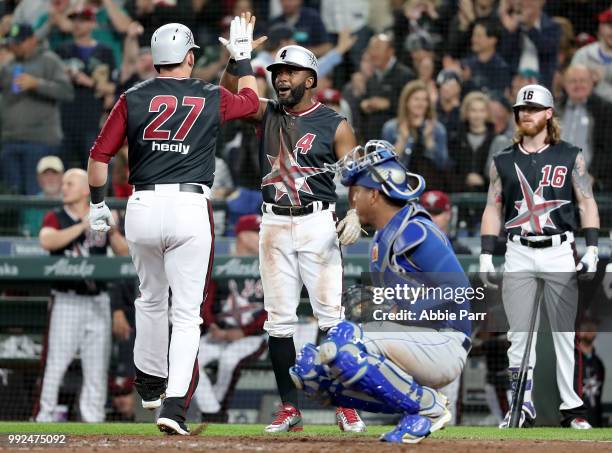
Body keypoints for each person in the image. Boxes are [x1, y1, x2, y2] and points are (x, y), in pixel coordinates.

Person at [86, 18, 260, 435]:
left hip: (141, 205)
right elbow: (252, 102)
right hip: (188, 205)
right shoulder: (209, 94)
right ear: (188, 57)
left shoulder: (132, 95)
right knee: (186, 315)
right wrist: (242, 57)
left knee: (149, 299)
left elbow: (98, 160)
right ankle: (175, 407)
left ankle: (148, 382)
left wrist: (96, 205)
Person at [220, 31, 365, 433]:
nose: (281, 78)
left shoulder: (336, 123)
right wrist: (237, 60)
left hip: (319, 223)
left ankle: (345, 403)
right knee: (279, 321)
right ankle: (290, 408)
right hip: (274, 223)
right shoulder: (264, 111)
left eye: (291, 72)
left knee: (331, 321)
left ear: (311, 79)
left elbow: (359, 177)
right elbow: (225, 99)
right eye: (278, 71)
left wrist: (355, 214)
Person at [290, 140, 472, 444]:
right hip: (416, 341)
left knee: (346, 344)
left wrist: (404, 311)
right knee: (310, 371)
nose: (352, 200)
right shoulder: (381, 242)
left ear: (374, 194)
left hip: (445, 341)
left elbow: (459, 289)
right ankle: (419, 405)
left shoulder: (415, 231)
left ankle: (427, 409)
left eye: (356, 193)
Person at [479, 84, 600, 429]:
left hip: (560, 249)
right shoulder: (502, 159)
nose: (526, 114)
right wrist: (487, 252)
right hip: (517, 250)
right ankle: (521, 409)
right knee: (517, 335)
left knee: (564, 335)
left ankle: (574, 411)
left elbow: (587, 201)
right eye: (522, 109)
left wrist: (591, 246)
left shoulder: (570, 154)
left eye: (533, 109)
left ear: (549, 113)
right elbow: (492, 206)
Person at [35, 168, 128, 423]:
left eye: (70, 183)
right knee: (56, 363)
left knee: (97, 367)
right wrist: (83, 225)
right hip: (67, 300)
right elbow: (48, 241)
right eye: (63, 183)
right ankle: (45, 417)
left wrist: (112, 229)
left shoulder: (101, 215)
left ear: (86, 189)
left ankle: (93, 420)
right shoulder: (56, 216)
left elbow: (123, 253)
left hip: (98, 300)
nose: (64, 187)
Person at [195, 214, 267, 422]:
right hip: (218, 332)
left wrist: (243, 332)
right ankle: (213, 411)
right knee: (189, 359)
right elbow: (205, 302)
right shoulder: (221, 263)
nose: (261, 237)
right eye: (257, 233)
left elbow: (271, 310)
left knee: (229, 360)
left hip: (251, 337)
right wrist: (213, 326)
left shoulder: (269, 265)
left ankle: (214, 413)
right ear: (242, 235)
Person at [0, 23, 74, 195]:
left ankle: (38, 223)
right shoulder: (8, 65)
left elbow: (67, 91)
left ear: (33, 40)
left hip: (40, 141)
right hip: (11, 140)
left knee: (35, 194)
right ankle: (20, 224)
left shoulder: (49, 60)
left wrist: (37, 84)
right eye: (13, 42)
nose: (15, 46)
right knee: (12, 195)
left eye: (19, 42)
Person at [381, 80, 449, 191]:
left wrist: (429, 142)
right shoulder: (391, 128)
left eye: (424, 100)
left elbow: (443, 164)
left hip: (430, 188)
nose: (420, 103)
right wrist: (402, 140)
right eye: (416, 99)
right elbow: (385, 166)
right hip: (399, 188)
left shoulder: (437, 129)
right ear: (406, 102)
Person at [572, 9, 612, 103]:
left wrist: (598, 84)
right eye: (610, 26)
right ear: (601, 28)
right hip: (586, 112)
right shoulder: (584, 54)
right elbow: (572, 88)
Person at [20, 155, 64, 238]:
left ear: (62, 176)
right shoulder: (30, 205)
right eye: (46, 174)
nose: (50, 178)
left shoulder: (72, 202)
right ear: (39, 178)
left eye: (54, 173)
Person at [419, 190, 471, 255]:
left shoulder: (460, 251)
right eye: (426, 213)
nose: (431, 218)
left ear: (448, 214)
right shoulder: (411, 249)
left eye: (436, 213)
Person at [574, 320, 605, 427]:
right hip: (575, 420)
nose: (589, 329)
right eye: (585, 325)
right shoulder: (572, 360)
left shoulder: (599, 363)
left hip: (596, 421)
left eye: (592, 325)